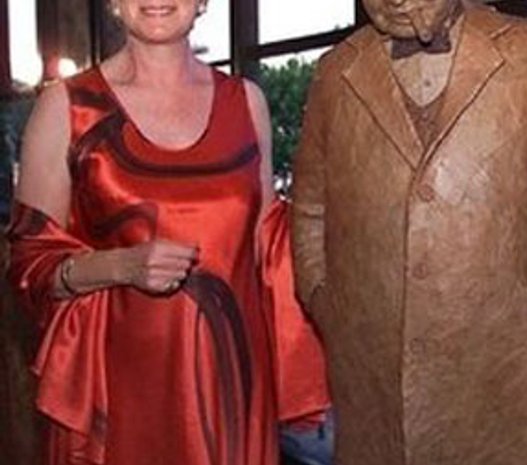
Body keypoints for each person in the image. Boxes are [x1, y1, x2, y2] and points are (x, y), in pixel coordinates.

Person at [290, 0, 527, 463]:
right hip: (371, 398)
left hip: (506, 389)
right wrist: (329, 306)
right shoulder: (336, 71)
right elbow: (309, 210)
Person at [8, 1, 329, 464]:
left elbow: (272, 248)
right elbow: (29, 263)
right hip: (119, 391)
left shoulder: (247, 101)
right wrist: (120, 265)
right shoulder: (67, 107)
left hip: (231, 386)